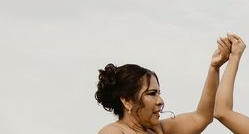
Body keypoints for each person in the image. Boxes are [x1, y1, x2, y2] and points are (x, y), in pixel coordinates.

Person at [95, 37, 231, 134]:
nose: (160, 101)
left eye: (159, 93)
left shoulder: (158, 129)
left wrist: (214, 67)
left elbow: (202, 117)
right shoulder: (112, 132)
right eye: (151, 93)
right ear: (127, 101)